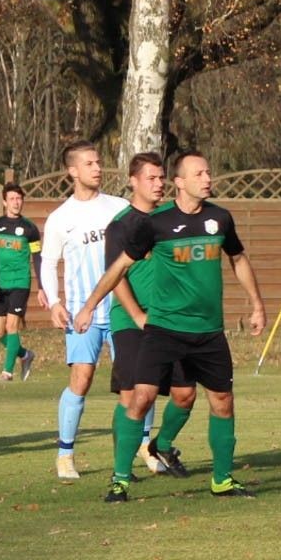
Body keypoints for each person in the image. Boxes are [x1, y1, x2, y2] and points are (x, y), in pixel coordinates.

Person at [73, 150, 266, 501]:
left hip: (208, 331)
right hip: (163, 329)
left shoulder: (220, 219)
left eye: (209, 172)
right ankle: (120, 480)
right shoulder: (155, 223)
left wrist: (256, 304)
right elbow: (118, 269)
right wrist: (89, 306)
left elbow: (237, 258)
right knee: (142, 397)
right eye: (199, 174)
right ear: (180, 182)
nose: (208, 179)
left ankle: (222, 480)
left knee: (221, 400)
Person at [103, 152, 198, 478]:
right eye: (152, 178)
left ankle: (162, 444)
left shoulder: (172, 220)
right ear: (134, 181)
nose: (159, 184)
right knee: (132, 397)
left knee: (186, 394)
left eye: (162, 178)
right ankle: (122, 472)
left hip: (171, 322)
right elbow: (115, 277)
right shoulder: (120, 226)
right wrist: (138, 315)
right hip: (131, 321)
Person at [40, 141, 129, 481]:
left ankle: (142, 448)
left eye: (99, 162)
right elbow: (48, 264)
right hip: (83, 314)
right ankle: (65, 454)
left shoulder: (119, 208)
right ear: (73, 170)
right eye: (90, 163)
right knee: (82, 378)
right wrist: (55, 302)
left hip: (122, 310)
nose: (98, 168)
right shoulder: (61, 218)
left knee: (135, 383)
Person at [0, 182, 43, 381]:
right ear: (4, 201)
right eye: (12, 199)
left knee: (12, 326)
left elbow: (37, 257)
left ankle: (7, 372)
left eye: (19, 198)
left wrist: (42, 287)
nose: (16, 202)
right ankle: (25, 355)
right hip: (0, 285)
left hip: (20, 283)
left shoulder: (30, 228)